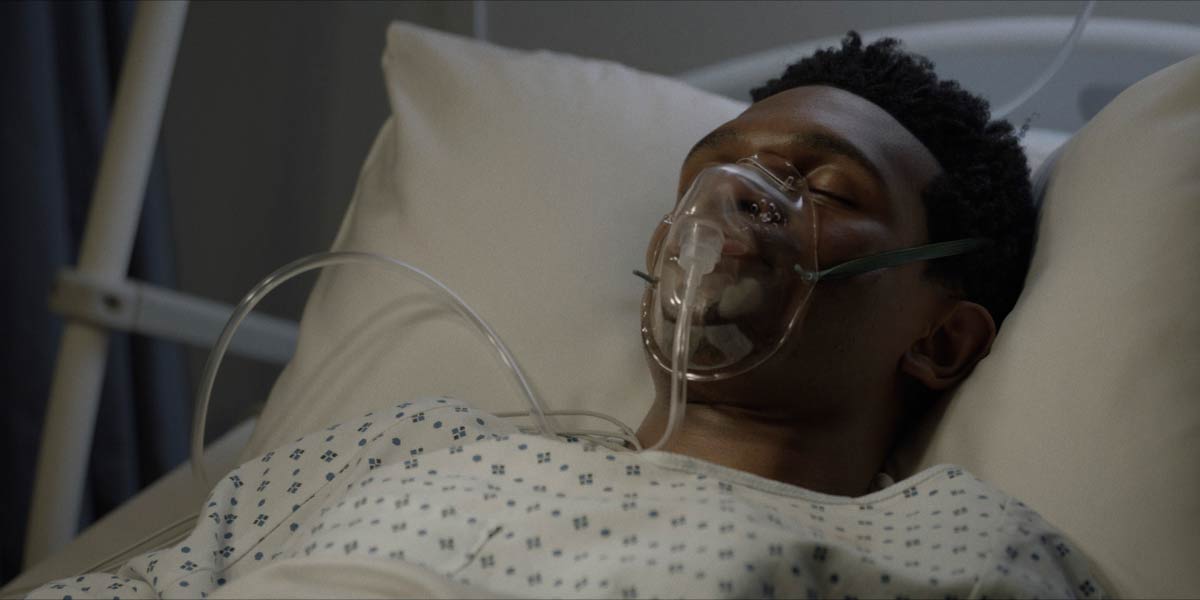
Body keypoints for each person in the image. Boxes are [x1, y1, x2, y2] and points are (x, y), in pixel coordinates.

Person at [27, 33, 1105, 600]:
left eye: (823, 187)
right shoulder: (406, 446)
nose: (730, 202)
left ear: (941, 340)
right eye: (707, 176)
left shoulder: (954, 548)